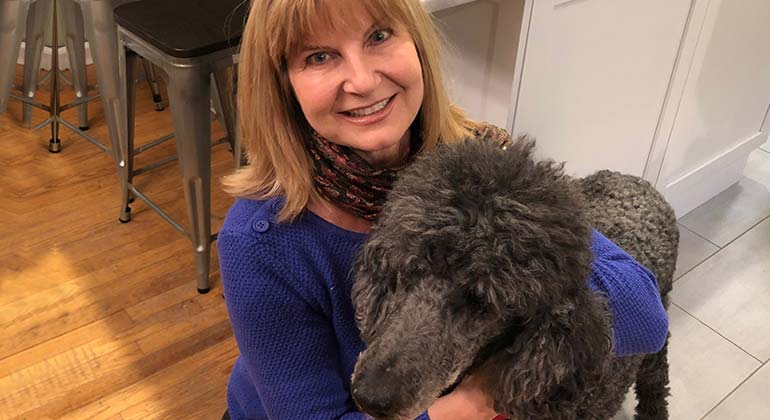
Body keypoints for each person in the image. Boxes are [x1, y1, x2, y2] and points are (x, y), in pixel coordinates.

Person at [217, 0, 670, 419]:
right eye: (318, 56)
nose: (362, 80)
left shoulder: (470, 165)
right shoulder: (262, 241)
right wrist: (469, 405)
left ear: (416, 43)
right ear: (282, 84)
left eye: (378, 36)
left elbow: (646, 322)